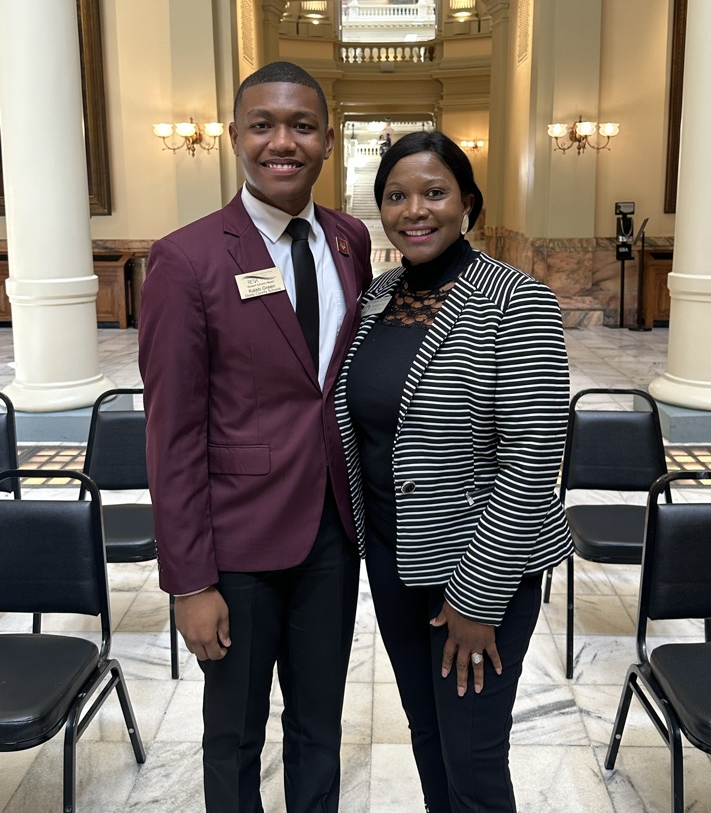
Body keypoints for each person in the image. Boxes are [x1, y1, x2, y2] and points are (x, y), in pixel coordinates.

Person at [138, 61, 372, 813]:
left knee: (319, 726)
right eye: (263, 125)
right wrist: (189, 581)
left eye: (302, 126)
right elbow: (172, 433)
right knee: (234, 735)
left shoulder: (350, 240)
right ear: (235, 137)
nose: (283, 142)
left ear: (328, 139)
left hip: (333, 531)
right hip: (235, 545)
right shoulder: (187, 257)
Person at [334, 131, 573, 813]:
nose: (415, 210)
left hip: (479, 566)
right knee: (427, 732)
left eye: (434, 193)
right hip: (393, 558)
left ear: (467, 202)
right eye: (396, 196)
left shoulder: (517, 300)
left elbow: (532, 464)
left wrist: (477, 599)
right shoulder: (379, 296)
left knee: (472, 755)